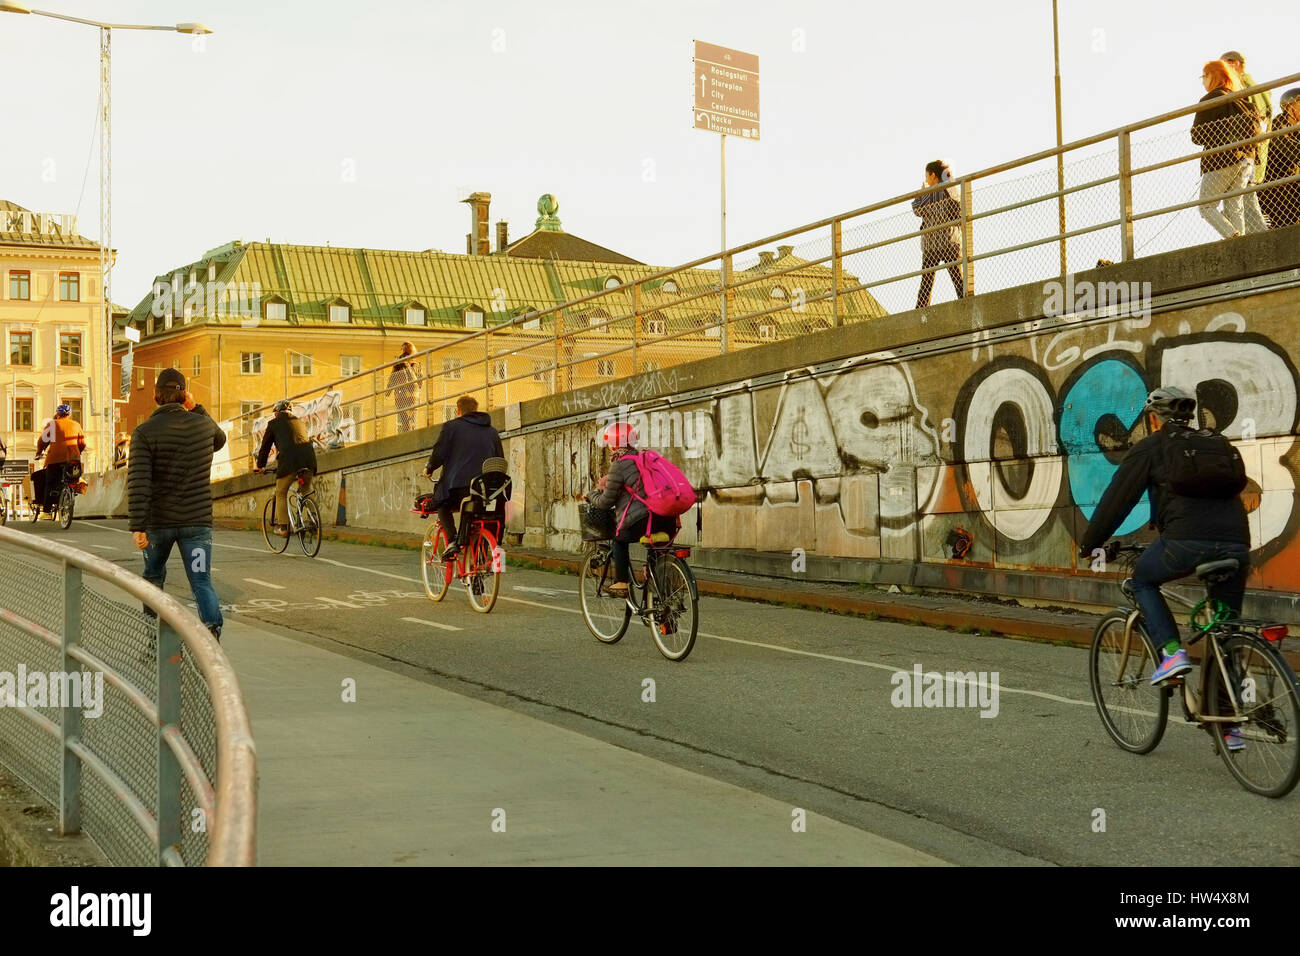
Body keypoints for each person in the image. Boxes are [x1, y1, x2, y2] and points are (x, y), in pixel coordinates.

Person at [1078, 387, 1250, 750]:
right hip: (1237, 546)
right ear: (1187, 416)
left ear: (1152, 418)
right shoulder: (1215, 443)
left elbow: (1116, 500)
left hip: (1184, 543)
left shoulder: (1153, 447)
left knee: (1142, 580)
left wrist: (1089, 543)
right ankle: (1229, 724)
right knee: (1225, 629)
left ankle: (1171, 653)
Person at [128, 369, 228, 641]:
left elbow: (139, 481)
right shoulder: (203, 426)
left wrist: (138, 526)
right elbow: (220, 439)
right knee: (201, 581)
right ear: (184, 395)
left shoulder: (143, 432)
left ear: (155, 395)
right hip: (197, 523)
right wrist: (195, 408)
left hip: (157, 524)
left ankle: (154, 637)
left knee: (153, 579)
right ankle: (211, 633)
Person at [587, 422, 678, 599]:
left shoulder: (619, 465)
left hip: (643, 522)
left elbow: (606, 502)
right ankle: (663, 608)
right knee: (656, 553)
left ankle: (621, 583)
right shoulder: (647, 459)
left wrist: (592, 495)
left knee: (619, 540)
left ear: (614, 444)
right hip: (667, 519)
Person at [423, 395, 502, 560]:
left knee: (442, 504)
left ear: (458, 411)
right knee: (479, 516)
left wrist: (429, 468)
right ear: (476, 409)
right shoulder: (492, 431)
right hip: (487, 490)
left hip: (460, 488)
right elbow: (499, 459)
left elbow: (440, 452)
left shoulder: (452, 427)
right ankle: (478, 569)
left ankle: (452, 542)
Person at [1192, 60, 1260, 239]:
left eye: (1204, 76)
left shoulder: (1210, 100)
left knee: (1206, 206)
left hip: (1221, 159)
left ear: (1214, 75)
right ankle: (1240, 243)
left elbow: (1197, 137)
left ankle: (1233, 237)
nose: (1202, 81)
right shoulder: (1242, 100)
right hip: (1246, 160)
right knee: (1234, 205)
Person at [1222, 51, 1272, 232]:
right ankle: (1239, 236)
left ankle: (1260, 240)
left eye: (1223, 66)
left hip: (1246, 154)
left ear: (1235, 64)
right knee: (1240, 199)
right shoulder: (1257, 88)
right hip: (1252, 153)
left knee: (1245, 199)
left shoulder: (1243, 87)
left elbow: (1256, 122)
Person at [255, 399, 319, 537]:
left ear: (277, 413)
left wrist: (260, 466)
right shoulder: (299, 422)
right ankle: (313, 519)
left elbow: (265, 447)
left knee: (281, 492)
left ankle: (283, 527)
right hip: (308, 460)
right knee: (306, 487)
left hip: (290, 462)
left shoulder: (273, 424)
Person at [911, 160, 965, 309]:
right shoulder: (952, 189)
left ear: (933, 176)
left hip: (933, 243)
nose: (926, 179)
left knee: (926, 282)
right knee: (958, 278)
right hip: (950, 240)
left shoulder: (931, 193)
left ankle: (921, 309)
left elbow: (917, 209)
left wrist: (921, 193)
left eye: (927, 176)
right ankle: (965, 303)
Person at [32, 404, 86, 515]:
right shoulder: (76, 425)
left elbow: (42, 441)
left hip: (55, 460)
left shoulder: (52, 424)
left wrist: (39, 452)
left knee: (49, 482)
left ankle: (46, 510)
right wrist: (77, 452)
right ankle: (70, 495)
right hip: (73, 459)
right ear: (69, 414)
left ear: (58, 414)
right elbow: (82, 443)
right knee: (72, 479)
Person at [1260, 88, 1300, 229]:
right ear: (1289, 107)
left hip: (1292, 186)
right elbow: (1291, 151)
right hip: (1274, 188)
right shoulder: (1278, 126)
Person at [388, 342, 419, 434]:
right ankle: (410, 434)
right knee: (410, 418)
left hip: (401, 393)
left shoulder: (399, 363)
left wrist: (388, 391)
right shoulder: (416, 363)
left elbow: (393, 377)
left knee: (404, 418)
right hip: (413, 394)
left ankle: (407, 435)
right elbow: (420, 380)